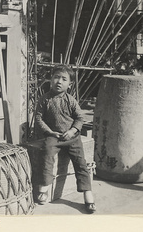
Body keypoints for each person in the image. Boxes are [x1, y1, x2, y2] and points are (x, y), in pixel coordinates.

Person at [35, 64, 96, 213]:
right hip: (53, 136)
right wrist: (50, 132)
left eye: (64, 79)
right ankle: (44, 189)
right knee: (47, 154)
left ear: (70, 84)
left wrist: (72, 130)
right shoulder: (45, 99)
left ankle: (88, 194)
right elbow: (38, 118)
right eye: (56, 77)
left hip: (71, 137)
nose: (59, 81)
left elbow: (80, 118)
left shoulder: (70, 100)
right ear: (51, 80)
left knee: (80, 162)